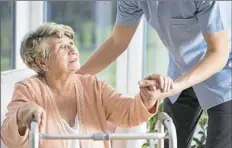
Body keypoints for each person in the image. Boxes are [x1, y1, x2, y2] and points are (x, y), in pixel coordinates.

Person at [77, 1, 232, 148]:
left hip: (223, 75)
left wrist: (175, 87)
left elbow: (218, 52)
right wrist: (74, 78)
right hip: (179, 71)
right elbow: (118, 41)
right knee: (169, 141)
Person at [1, 22, 176, 148]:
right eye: (62, 47)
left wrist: (147, 98)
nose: (73, 50)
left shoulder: (92, 85)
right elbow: (10, 139)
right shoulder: (28, 89)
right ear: (42, 62)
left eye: (71, 43)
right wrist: (21, 116)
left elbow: (128, 113)